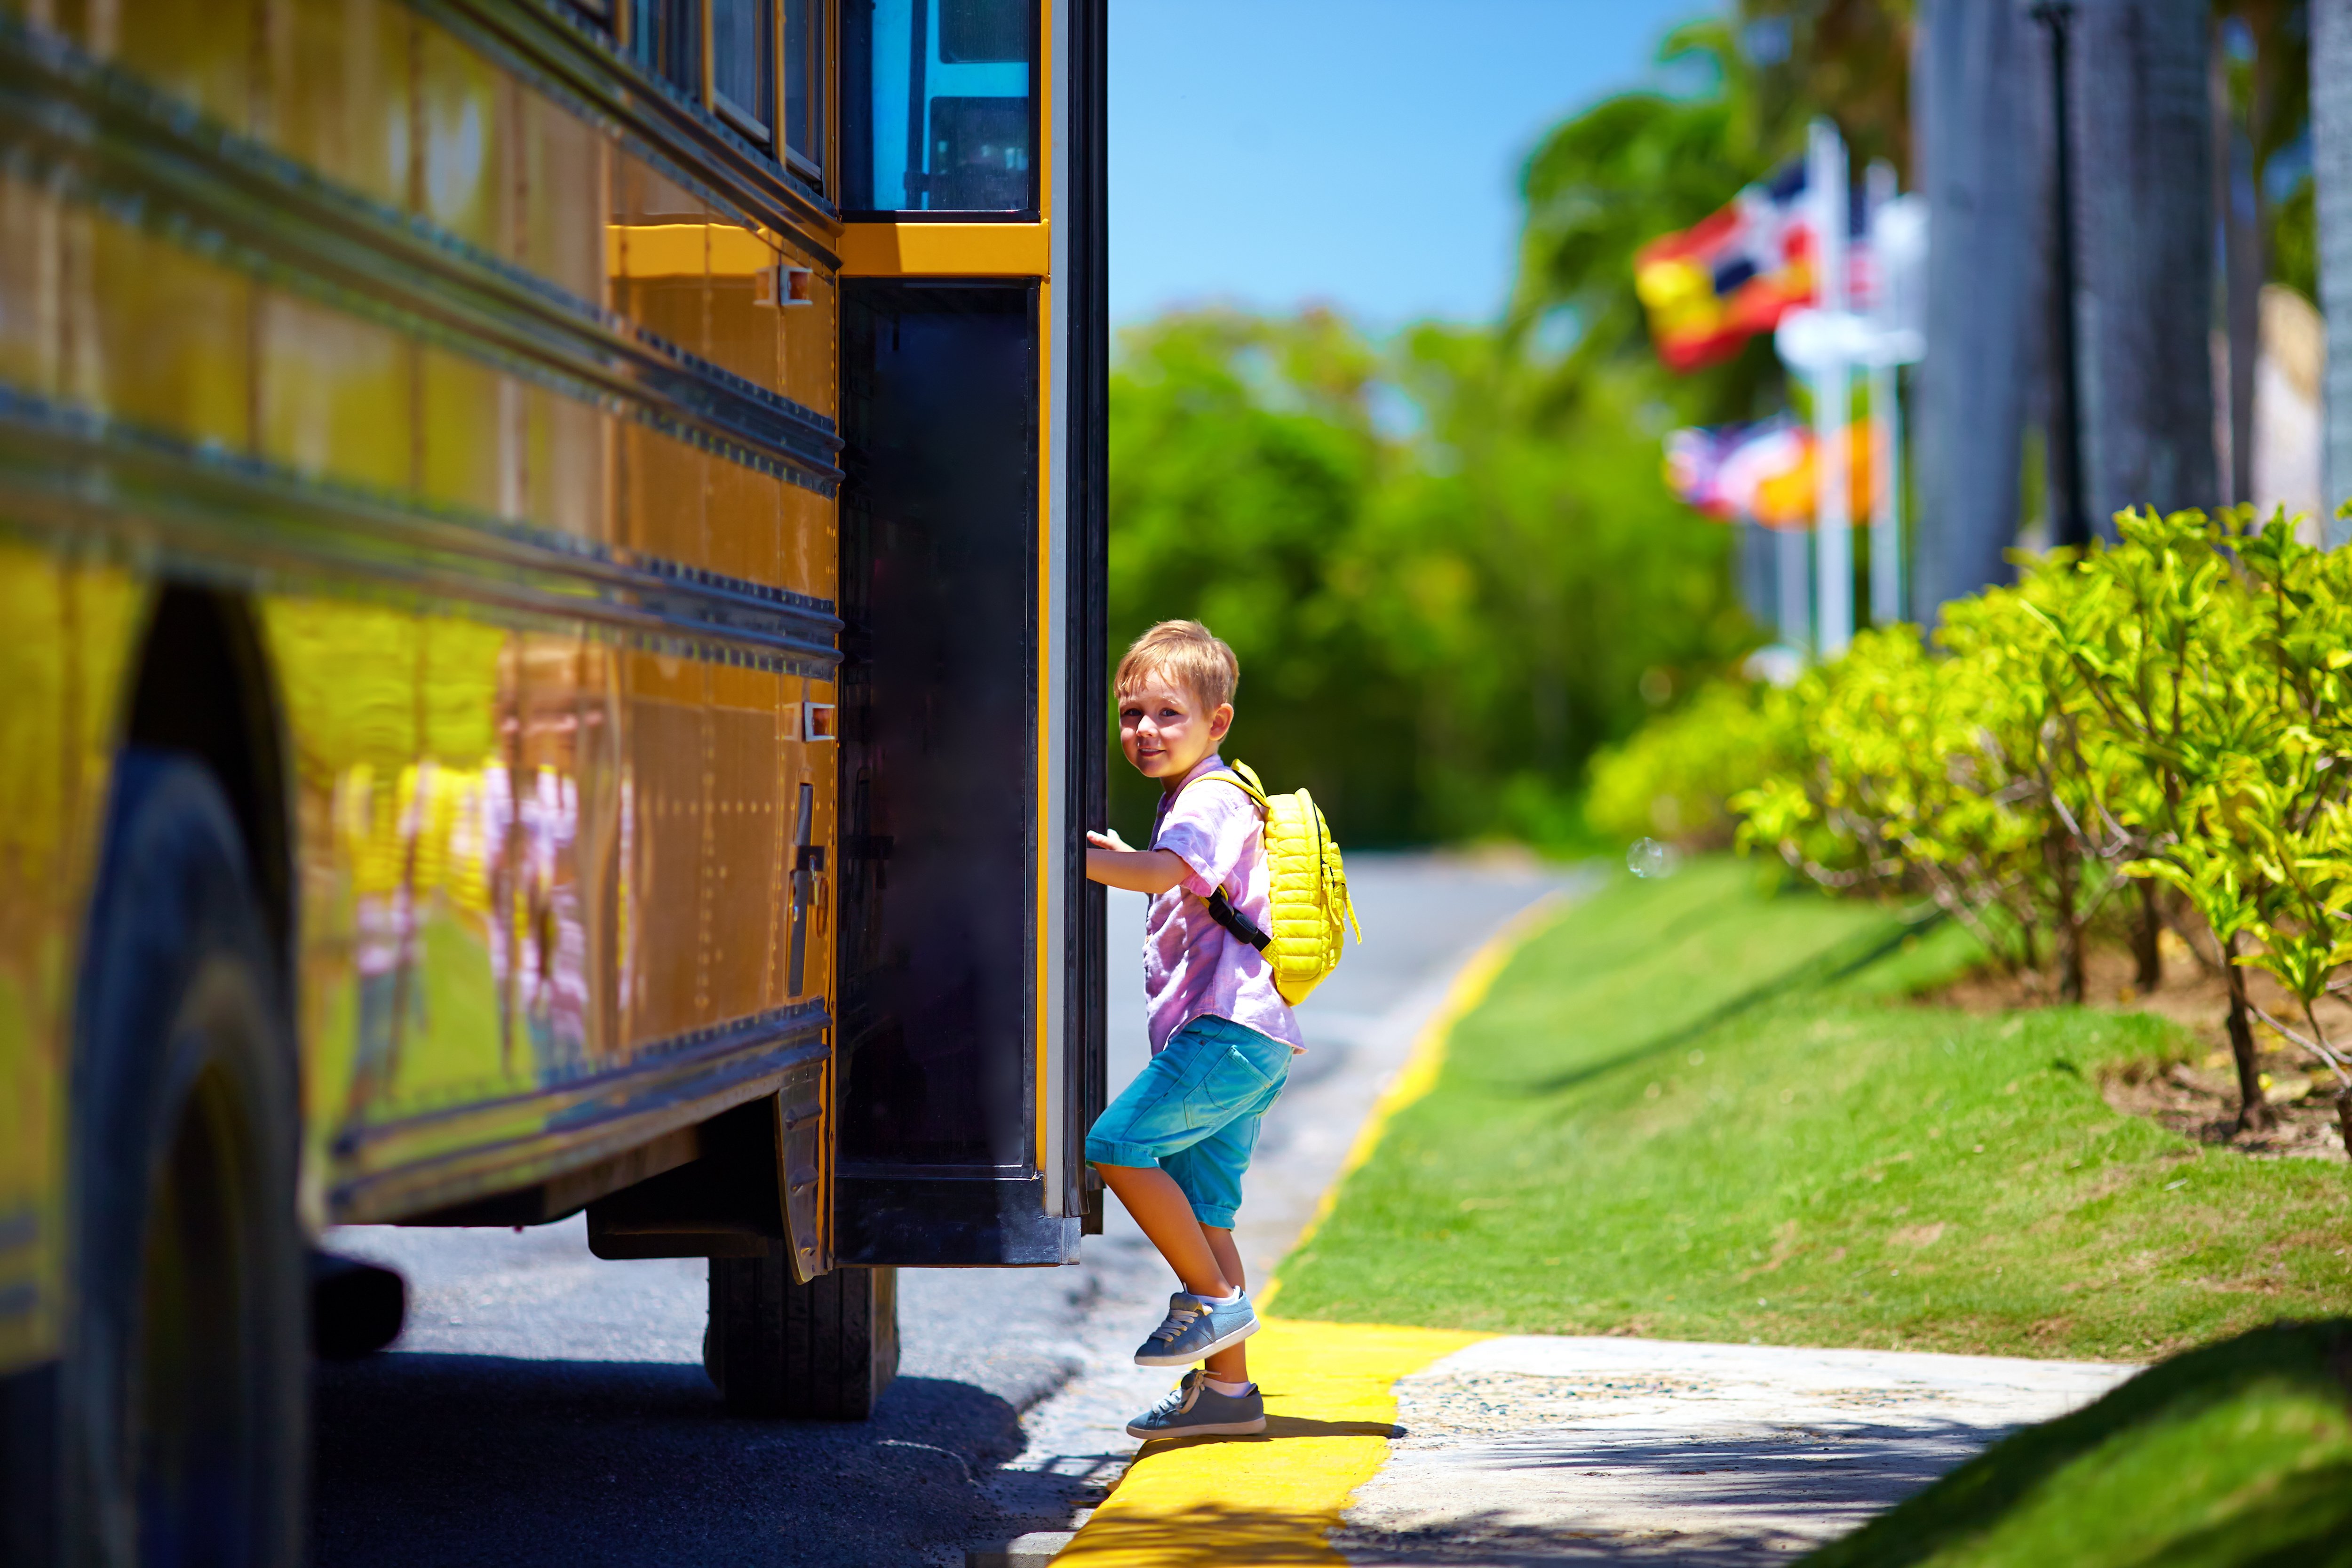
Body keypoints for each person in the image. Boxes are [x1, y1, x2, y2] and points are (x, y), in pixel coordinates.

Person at [1083, 619, 1304, 1441]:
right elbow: (1165, 872)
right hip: (1245, 1042)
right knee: (1209, 1215)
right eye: (1131, 713)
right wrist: (1121, 852)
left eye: (1167, 714)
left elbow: (1161, 872)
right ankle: (1229, 1396)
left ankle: (1211, 1305)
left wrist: (1058, 852)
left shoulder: (1210, 796)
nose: (1145, 730)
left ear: (1218, 722)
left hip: (1227, 1036)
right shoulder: (1199, 796)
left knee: (1114, 1144)